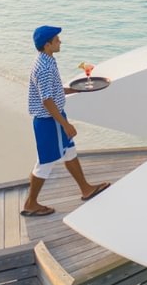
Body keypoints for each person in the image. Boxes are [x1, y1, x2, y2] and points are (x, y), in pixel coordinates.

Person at [22, 25, 110, 216]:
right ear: (47, 45)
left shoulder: (48, 60)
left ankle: (86, 188)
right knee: (45, 163)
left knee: (69, 152)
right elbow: (46, 100)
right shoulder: (44, 67)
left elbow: (52, 92)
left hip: (54, 117)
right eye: (56, 39)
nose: (60, 41)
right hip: (49, 121)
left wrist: (75, 90)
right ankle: (31, 204)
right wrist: (65, 124)